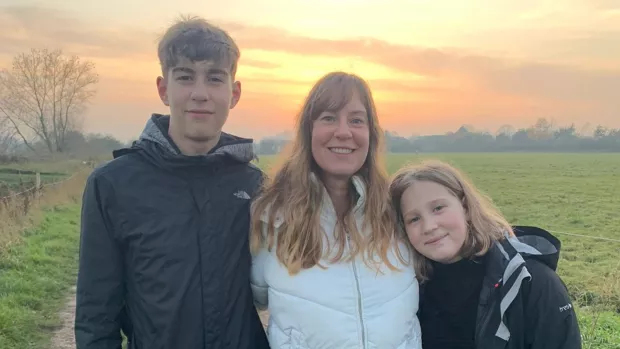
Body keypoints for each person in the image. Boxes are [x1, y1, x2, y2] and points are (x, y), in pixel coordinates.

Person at [74, 16, 270, 349]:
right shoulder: (113, 186)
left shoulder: (257, 187)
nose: (200, 93)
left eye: (214, 78)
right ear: (164, 89)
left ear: (234, 93)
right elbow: (96, 317)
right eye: (185, 77)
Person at [249, 71, 422, 348]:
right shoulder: (271, 218)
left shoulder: (398, 213)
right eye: (329, 118)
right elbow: (241, 305)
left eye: (356, 120)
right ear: (309, 131)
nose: (344, 132)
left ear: (370, 134)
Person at [389, 160, 582, 349]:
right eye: (414, 219)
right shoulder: (406, 287)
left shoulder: (530, 281)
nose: (429, 226)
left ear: (465, 207)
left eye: (438, 208)